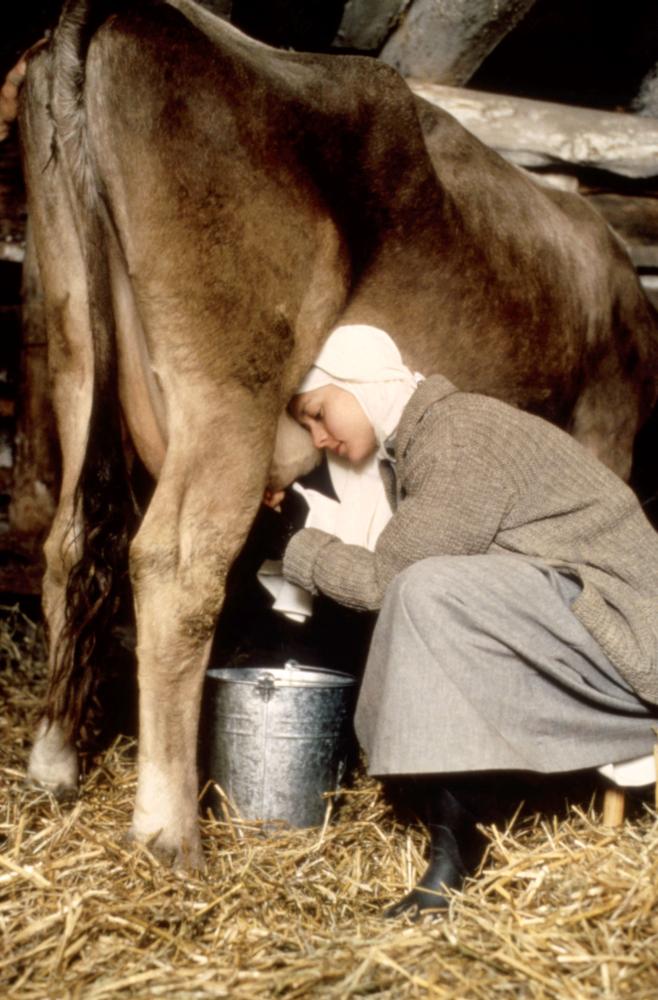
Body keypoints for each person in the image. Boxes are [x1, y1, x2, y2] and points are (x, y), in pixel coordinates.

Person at [273, 324, 658, 918]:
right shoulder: (427, 437)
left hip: (631, 633)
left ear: (364, 384)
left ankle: (456, 856)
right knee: (435, 592)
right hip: (593, 616)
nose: (319, 437)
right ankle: (460, 834)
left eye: (319, 413)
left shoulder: (459, 435)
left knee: (425, 588)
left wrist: (290, 542)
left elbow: (386, 580)